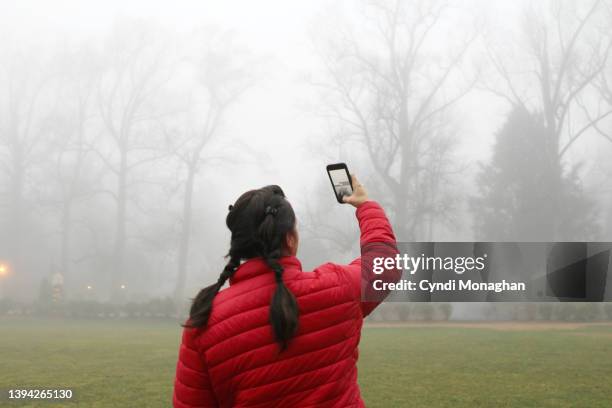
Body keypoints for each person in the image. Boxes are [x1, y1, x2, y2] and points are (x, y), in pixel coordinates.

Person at [173, 175, 399, 407]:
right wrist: (365, 206)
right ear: (290, 239)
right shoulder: (336, 288)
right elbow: (385, 264)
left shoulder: (203, 322)